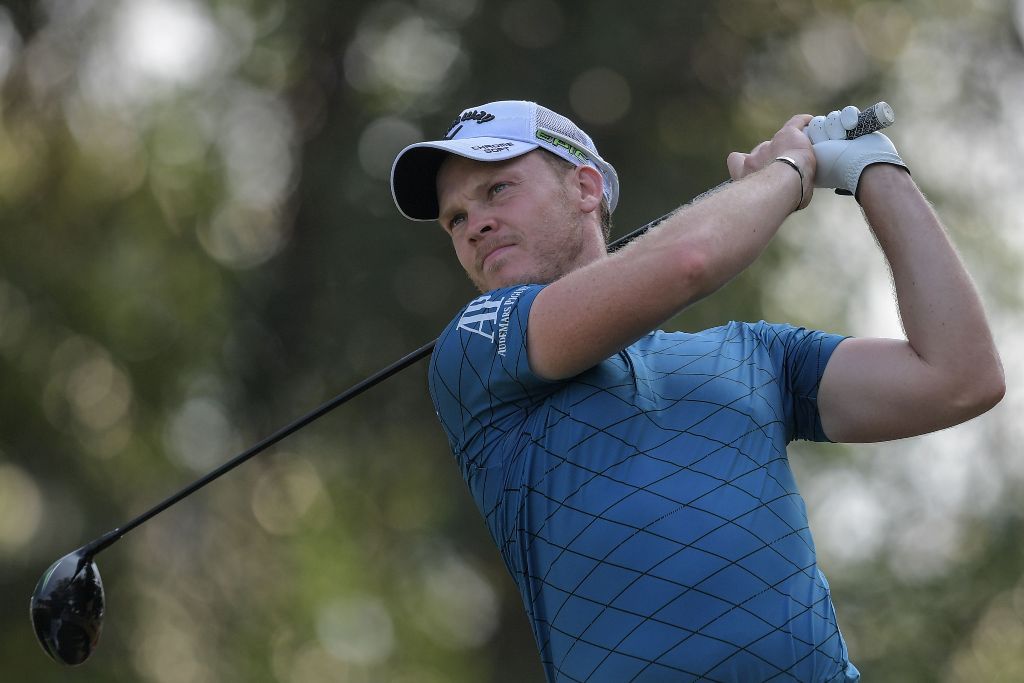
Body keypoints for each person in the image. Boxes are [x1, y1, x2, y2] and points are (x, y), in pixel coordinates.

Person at [389, 100, 1004, 682]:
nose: (475, 226)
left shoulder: (755, 354)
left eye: (497, 190)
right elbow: (689, 260)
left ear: (584, 187)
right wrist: (790, 172)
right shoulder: (474, 350)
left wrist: (874, 168)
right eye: (456, 219)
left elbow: (959, 378)